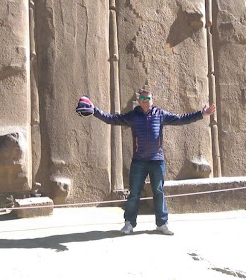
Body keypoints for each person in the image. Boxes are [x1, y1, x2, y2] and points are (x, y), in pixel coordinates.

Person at [81, 87, 215, 235]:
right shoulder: (133, 116)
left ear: (152, 100)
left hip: (157, 161)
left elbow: (181, 119)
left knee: (158, 192)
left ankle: (162, 224)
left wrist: (202, 114)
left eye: (148, 98)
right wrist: (94, 110)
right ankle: (129, 223)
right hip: (139, 161)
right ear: (139, 101)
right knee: (134, 194)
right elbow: (111, 119)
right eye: (142, 98)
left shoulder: (160, 115)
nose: (145, 101)